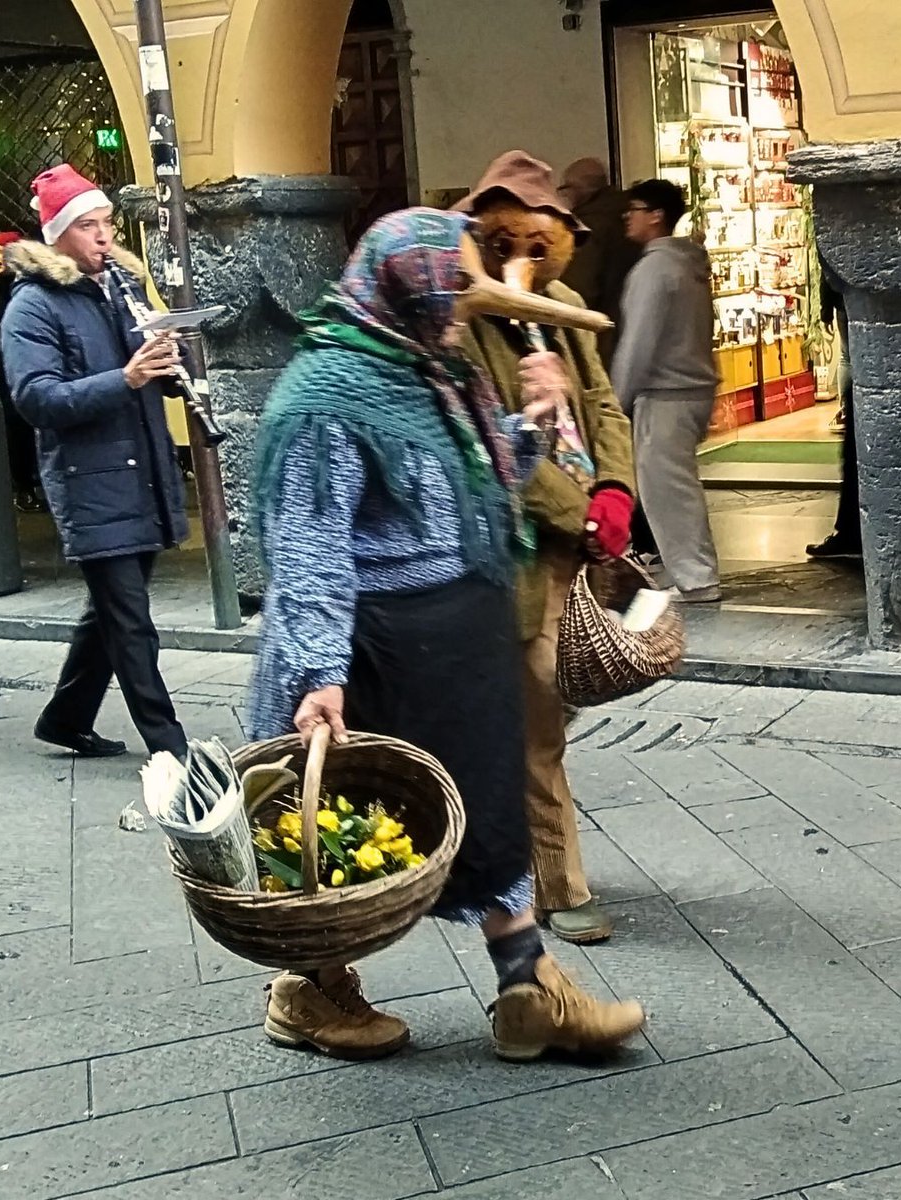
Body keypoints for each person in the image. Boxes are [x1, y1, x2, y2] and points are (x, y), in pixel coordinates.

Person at [247, 207, 645, 1062]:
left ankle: (529, 990)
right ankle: (309, 990)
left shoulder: (436, 370)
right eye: (459, 281)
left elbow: (477, 475)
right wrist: (320, 671)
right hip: (378, 650)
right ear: (409, 283)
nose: (474, 298)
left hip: (461, 639)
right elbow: (309, 543)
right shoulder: (322, 398)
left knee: (491, 810)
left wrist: (537, 423)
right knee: (352, 825)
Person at [457, 151, 636, 945]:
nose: (522, 259)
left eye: (538, 243)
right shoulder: (464, 323)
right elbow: (494, 453)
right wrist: (581, 514)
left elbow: (601, 402)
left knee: (546, 706)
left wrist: (617, 492)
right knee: (537, 720)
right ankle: (558, 884)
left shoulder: (563, 303)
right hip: (522, 548)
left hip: (578, 540)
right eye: (507, 243)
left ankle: (493, 853)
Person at [0, 164, 189, 759]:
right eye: (87, 225)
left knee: (110, 613)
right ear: (57, 234)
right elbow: (35, 399)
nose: (104, 236)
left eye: (107, 223)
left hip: (145, 474)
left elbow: (148, 377)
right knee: (132, 622)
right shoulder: (32, 307)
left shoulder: (119, 288)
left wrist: (168, 365)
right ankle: (171, 746)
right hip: (90, 482)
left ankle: (65, 716)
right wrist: (127, 378)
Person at [611, 179, 721, 603]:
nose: (627, 217)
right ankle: (692, 573)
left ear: (656, 215)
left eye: (634, 209)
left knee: (667, 489)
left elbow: (639, 340)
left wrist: (617, 397)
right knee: (672, 485)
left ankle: (696, 577)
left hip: (667, 391)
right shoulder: (688, 264)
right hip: (690, 387)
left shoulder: (656, 268)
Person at [557, 157, 640, 370]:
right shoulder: (631, 217)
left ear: (578, 190)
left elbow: (580, 291)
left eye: (564, 188)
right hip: (637, 330)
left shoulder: (588, 228)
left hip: (605, 337)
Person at [806, 266, 861, 559]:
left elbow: (828, 265)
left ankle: (850, 533)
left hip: (847, 301)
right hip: (852, 302)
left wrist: (827, 306)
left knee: (848, 358)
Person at [0, 231, 43, 512]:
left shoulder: (28, 289)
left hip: (26, 365)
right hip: (2, 373)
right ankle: (22, 486)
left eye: (2, 253)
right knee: (14, 429)